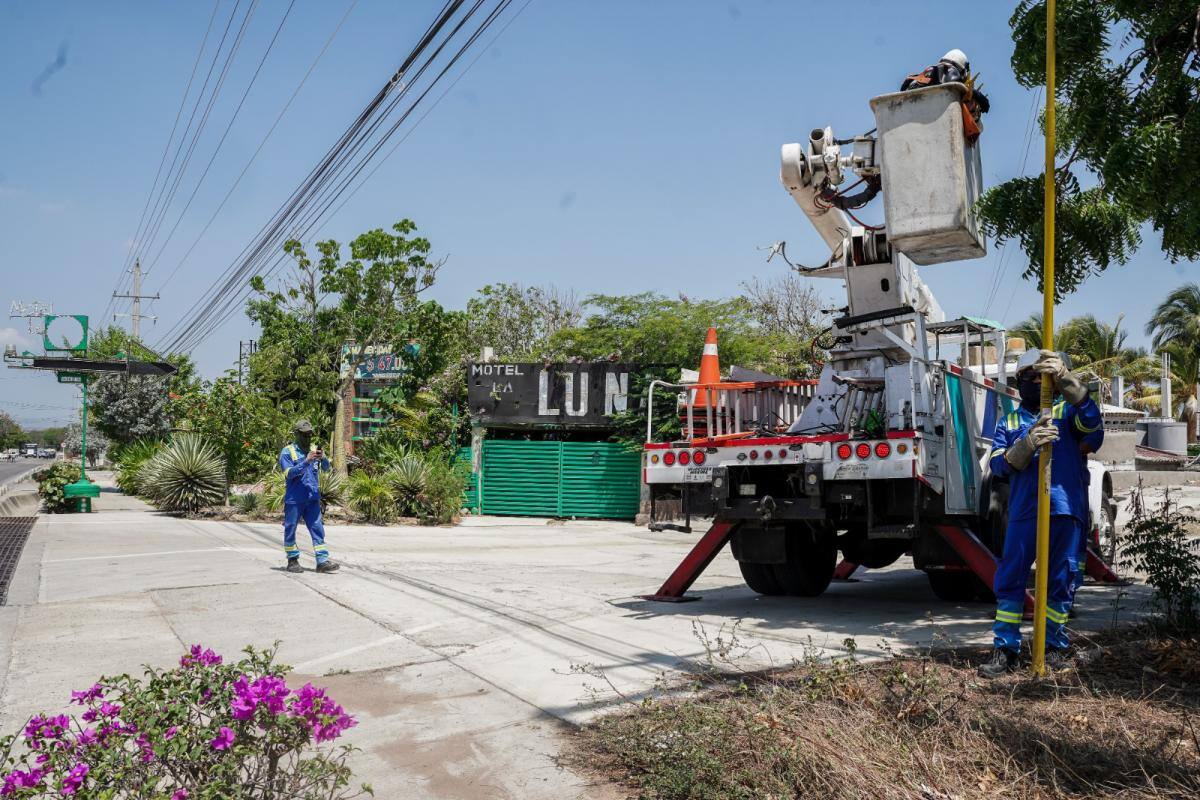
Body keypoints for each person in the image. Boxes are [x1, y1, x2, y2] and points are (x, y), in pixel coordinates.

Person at [979, 349, 1103, 677]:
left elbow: (1094, 429)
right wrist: (1026, 444)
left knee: (1061, 579)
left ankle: (1053, 646)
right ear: (1019, 383)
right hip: (1025, 511)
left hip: (1065, 508)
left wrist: (1068, 382)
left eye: (1043, 377)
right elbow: (998, 466)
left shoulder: (1068, 414)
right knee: (1010, 578)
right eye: (1030, 377)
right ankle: (1005, 649)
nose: (1037, 382)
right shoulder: (1009, 421)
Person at [279, 420, 339, 574]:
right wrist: (306, 461)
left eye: (310, 434)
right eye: (305, 435)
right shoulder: (287, 452)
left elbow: (327, 468)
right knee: (290, 528)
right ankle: (292, 560)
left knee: (317, 528)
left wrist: (323, 458)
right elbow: (289, 474)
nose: (308, 438)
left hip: (312, 498)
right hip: (294, 499)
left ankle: (322, 561)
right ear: (297, 434)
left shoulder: (313, 450)